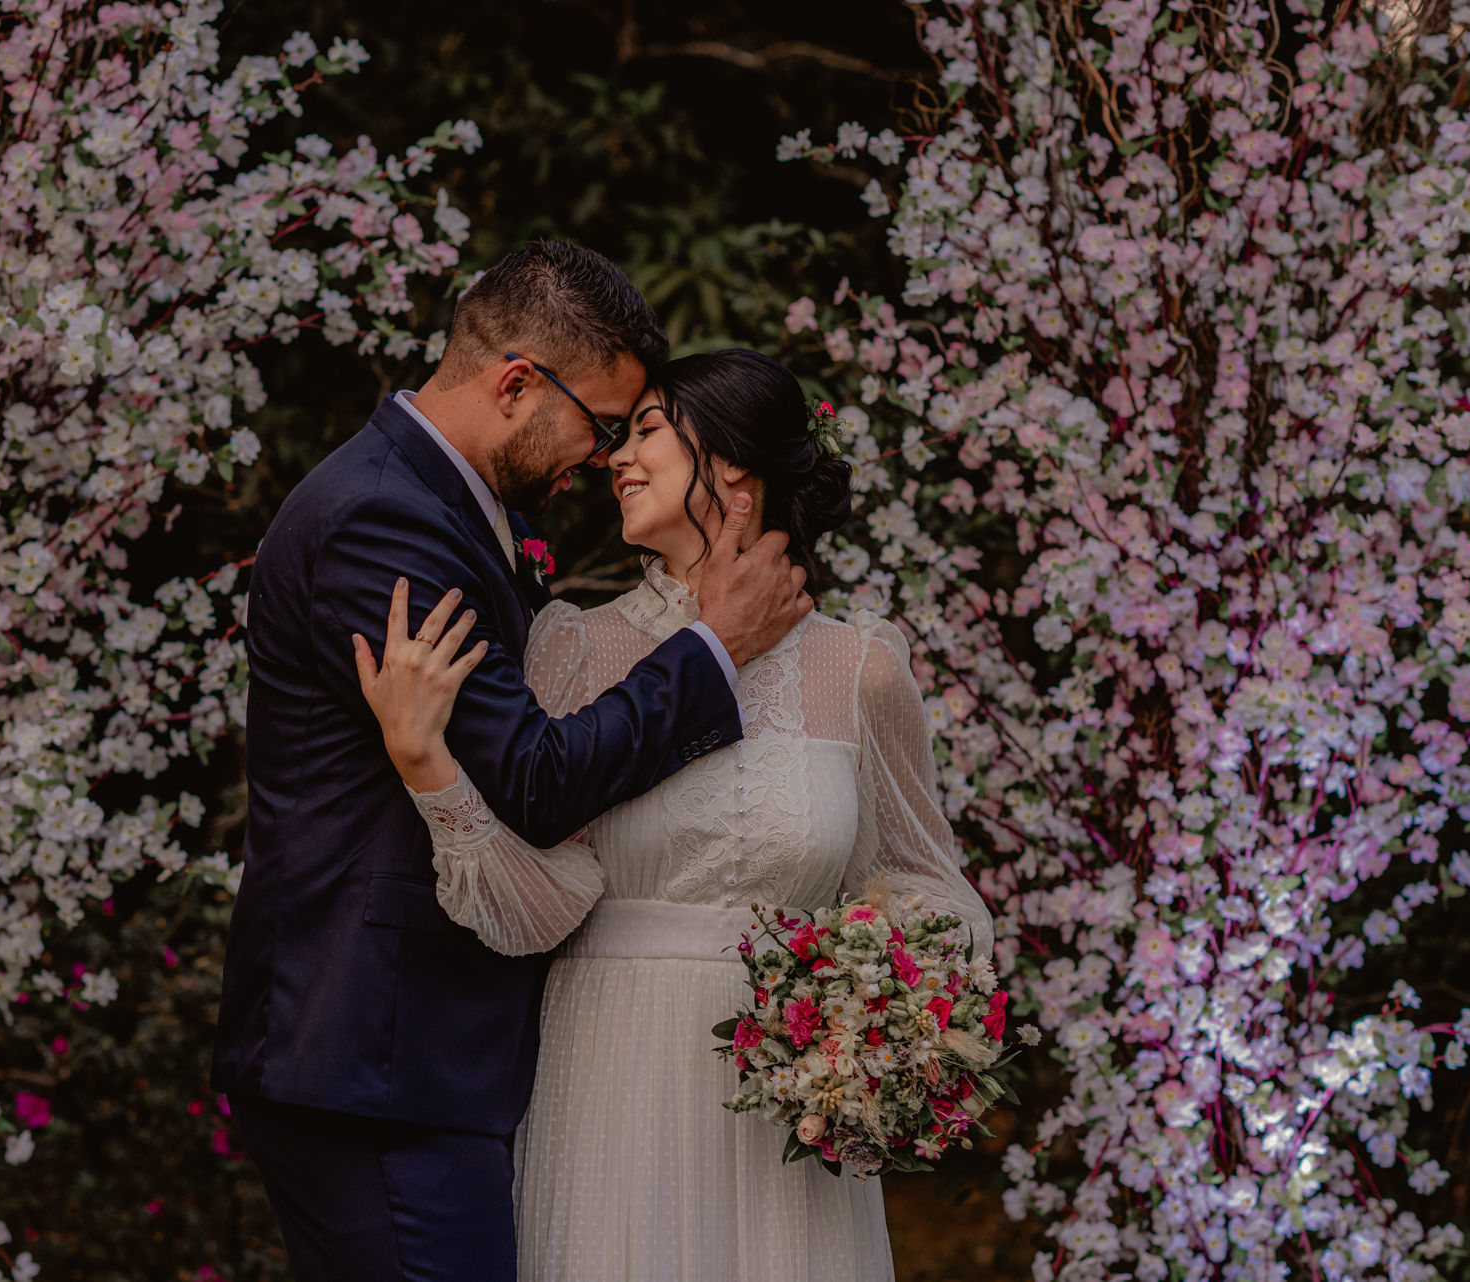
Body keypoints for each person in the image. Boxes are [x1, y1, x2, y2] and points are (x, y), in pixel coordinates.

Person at [210, 243, 812, 1282]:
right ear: (518, 382)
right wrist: (715, 647)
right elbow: (532, 778)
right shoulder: (382, 518)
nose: (604, 453)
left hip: (420, 1059)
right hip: (375, 1054)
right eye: (603, 422)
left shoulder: (455, 509)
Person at [354, 348, 996, 1281]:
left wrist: (882, 1011)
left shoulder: (861, 670)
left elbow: (934, 891)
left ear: (732, 467)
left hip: (794, 1113)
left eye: (646, 429)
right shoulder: (572, 645)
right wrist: (428, 768)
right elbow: (538, 905)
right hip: (611, 1077)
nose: (616, 455)